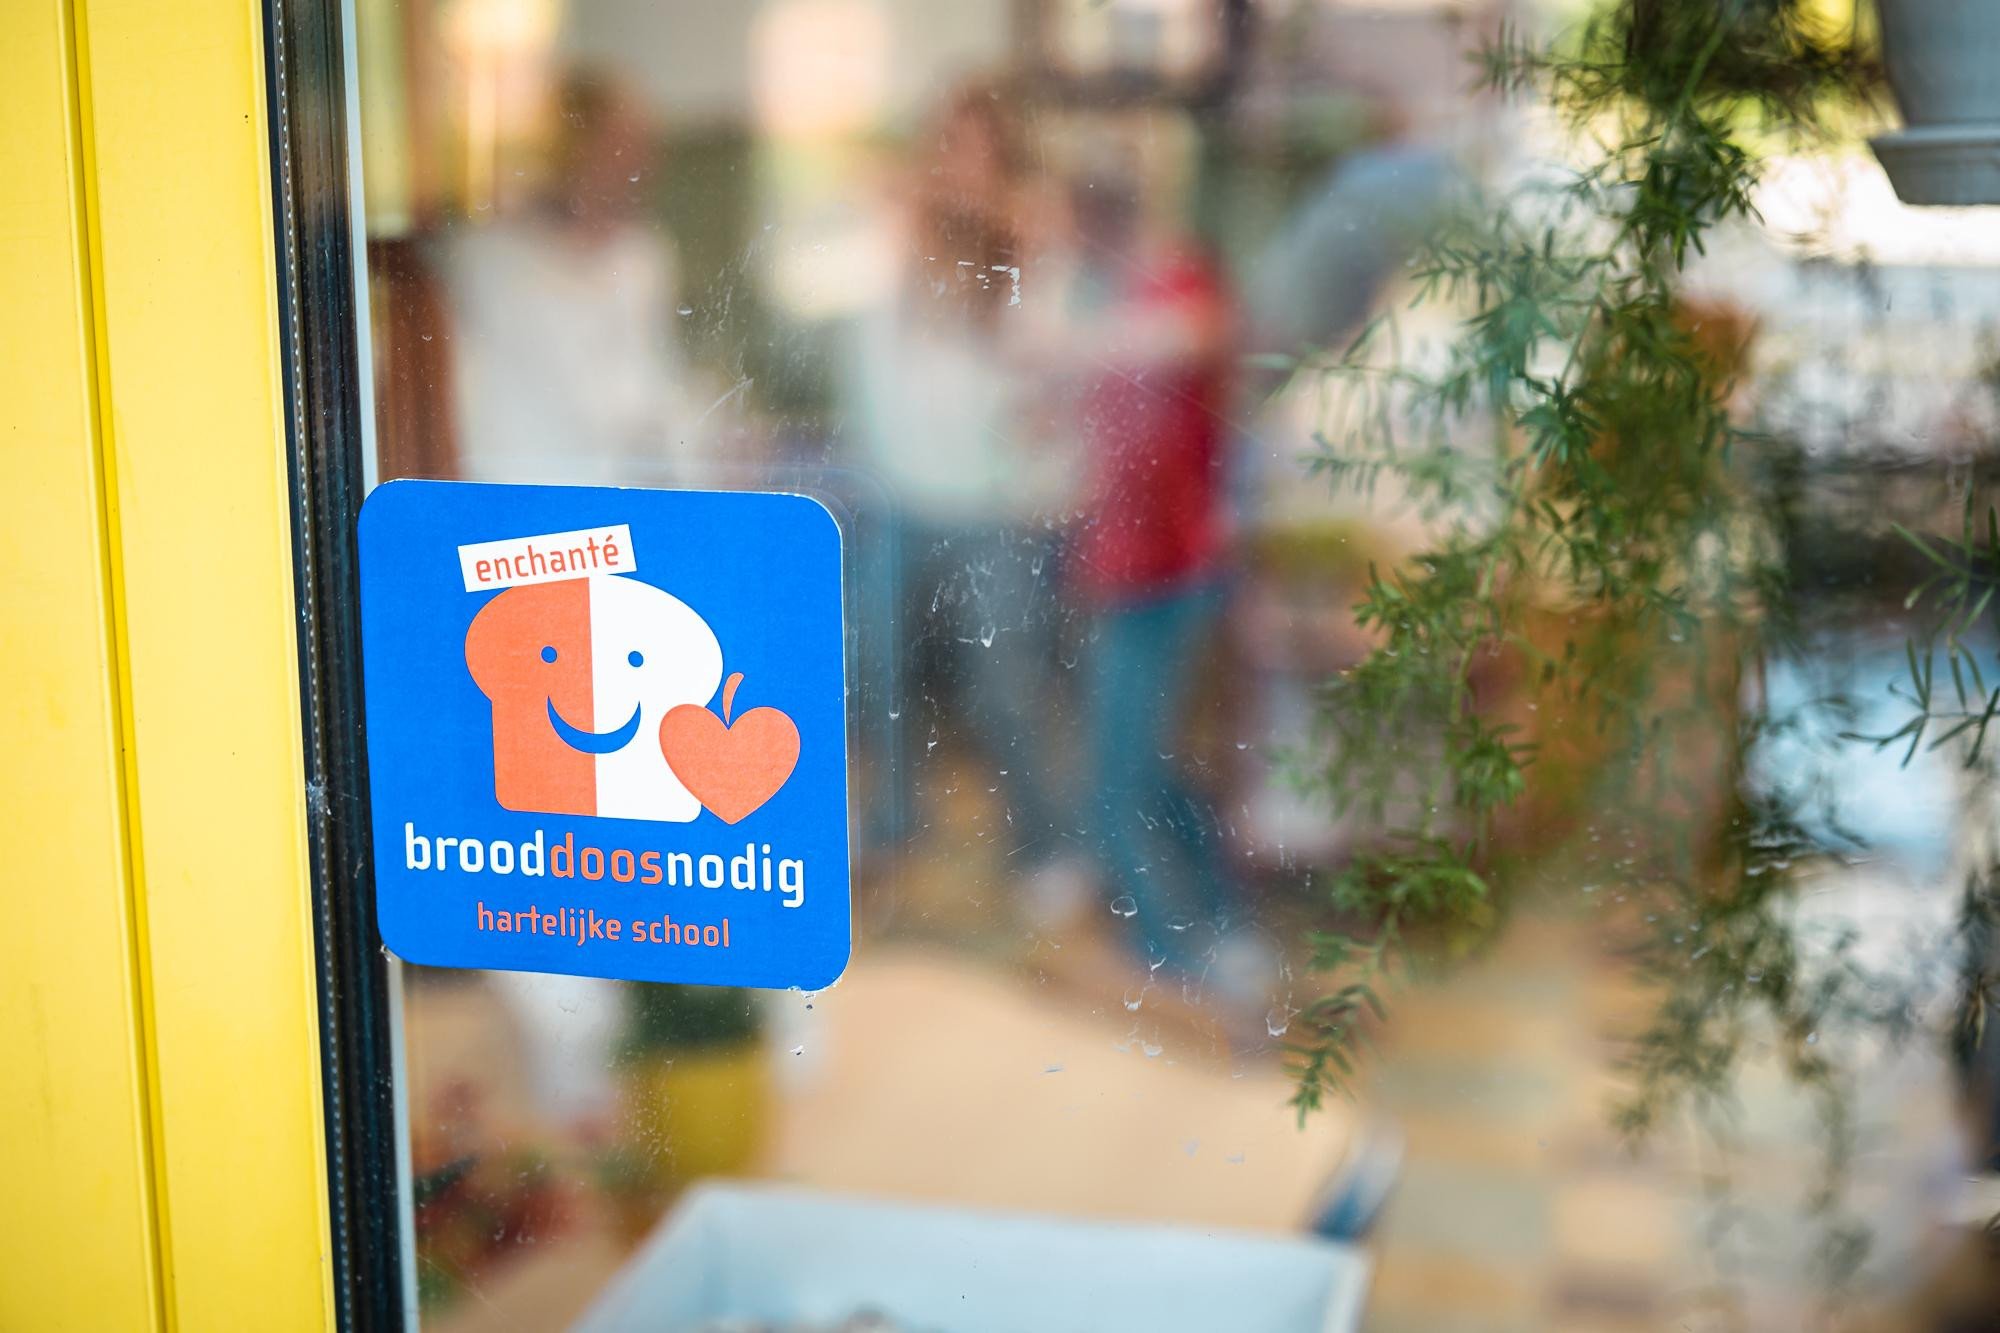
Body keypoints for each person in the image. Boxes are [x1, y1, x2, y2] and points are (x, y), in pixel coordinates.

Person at [842, 85, 1084, 888]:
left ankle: (1044, 847)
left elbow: (1045, 370)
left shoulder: (1029, 254)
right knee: (878, 676)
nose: (963, 169)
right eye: (951, 147)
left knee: (1005, 691)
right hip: (896, 501)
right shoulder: (897, 244)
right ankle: (893, 827)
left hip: (995, 511)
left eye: (982, 152)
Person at [1060, 166, 1242, 972]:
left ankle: (1175, 953)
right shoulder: (1113, 296)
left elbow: (1192, 336)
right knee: (1151, 771)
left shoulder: (1175, 284)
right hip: (1130, 573)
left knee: (1120, 786)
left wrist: (1068, 347)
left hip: (1170, 573)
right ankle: (1213, 929)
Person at [438, 69, 702, 486]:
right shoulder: (488, 260)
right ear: (571, 148)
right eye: (615, 145)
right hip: (519, 494)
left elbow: (655, 387)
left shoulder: (643, 259)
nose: (636, 165)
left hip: (622, 497)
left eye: (641, 148)